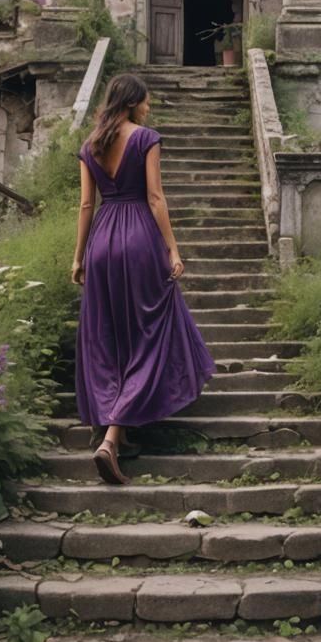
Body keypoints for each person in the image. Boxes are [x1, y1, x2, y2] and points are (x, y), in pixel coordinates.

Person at [72, 73, 215, 485]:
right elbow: (155, 197)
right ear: (133, 102)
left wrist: (79, 256)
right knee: (150, 331)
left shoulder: (90, 145)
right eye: (146, 101)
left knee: (108, 336)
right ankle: (113, 436)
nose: (149, 107)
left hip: (101, 240)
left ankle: (114, 425)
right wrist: (172, 247)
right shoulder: (146, 138)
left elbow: (85, 204)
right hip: (138, 238)